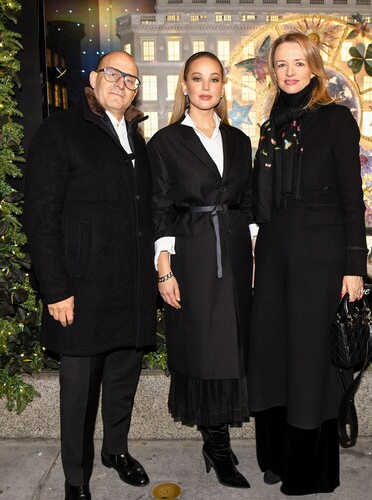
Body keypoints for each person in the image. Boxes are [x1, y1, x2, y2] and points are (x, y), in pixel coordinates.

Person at [24, 51, 157, 500]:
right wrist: (55, 287)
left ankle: (115, 451)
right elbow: (41, 216)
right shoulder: (60, 131)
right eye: (113, 74)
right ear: (94, 78)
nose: (122, 84)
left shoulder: (137, 139)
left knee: (123, 379)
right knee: (78, 392)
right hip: (80, 289)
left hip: (130, 288)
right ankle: (76, 478)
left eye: (131, 80)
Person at [248, 33, 367, 495]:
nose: (290, 72)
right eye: (282, 64)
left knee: (308, 361)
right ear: (273, 72)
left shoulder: (335, 120)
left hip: (320, 261)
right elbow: (262, 206)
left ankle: (309, 471)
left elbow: (352, 200)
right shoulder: (272, 125)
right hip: (275, 255)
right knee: (272, 356)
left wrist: (353, 265)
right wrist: (258, 257)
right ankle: (275, 458)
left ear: (314, 67)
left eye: (299, 63)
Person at [147, 52, 255, 489]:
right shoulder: (166, 141)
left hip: (234, 251)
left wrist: (253, 251)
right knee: (203, 347)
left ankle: (219, 440)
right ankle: (217, 446)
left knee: (234, 343)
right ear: (185, 86)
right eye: (197, 78)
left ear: (223, 86)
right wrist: (164, 268)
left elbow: (249, 204)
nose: (206, 86)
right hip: (191, 252)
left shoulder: (239, 140)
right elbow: (159, 208)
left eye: (214, 78)